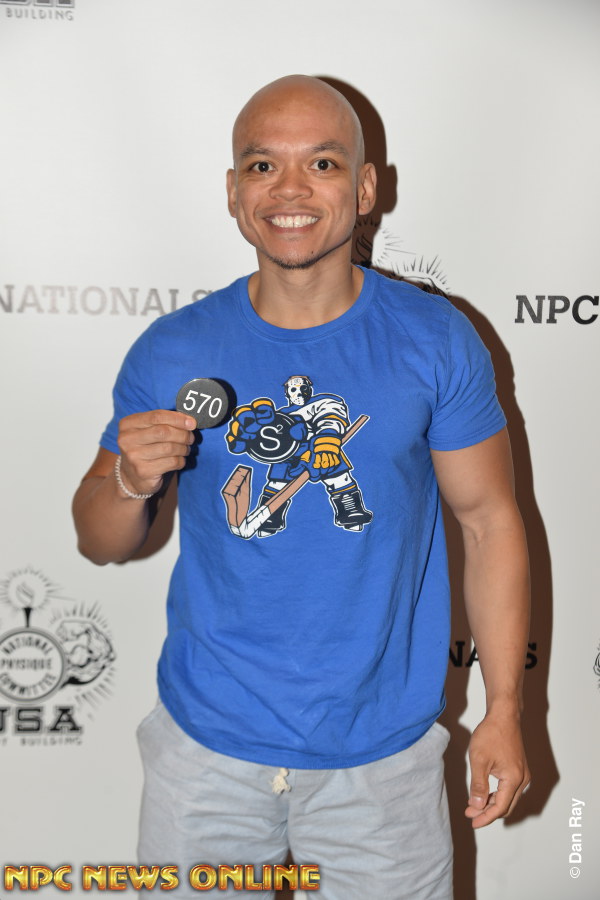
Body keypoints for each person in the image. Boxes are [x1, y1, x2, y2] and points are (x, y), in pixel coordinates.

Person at [72, 74, 531, 899]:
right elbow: (99, 540)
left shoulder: (435, 340)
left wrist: (504, 709)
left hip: (382, 760)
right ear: (233, 191)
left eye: (321, 163)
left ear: (365, 188)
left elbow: (489, 523)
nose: (289, 189)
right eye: (262, 166)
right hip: (206, 752)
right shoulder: (174, 349)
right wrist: (129, 481)